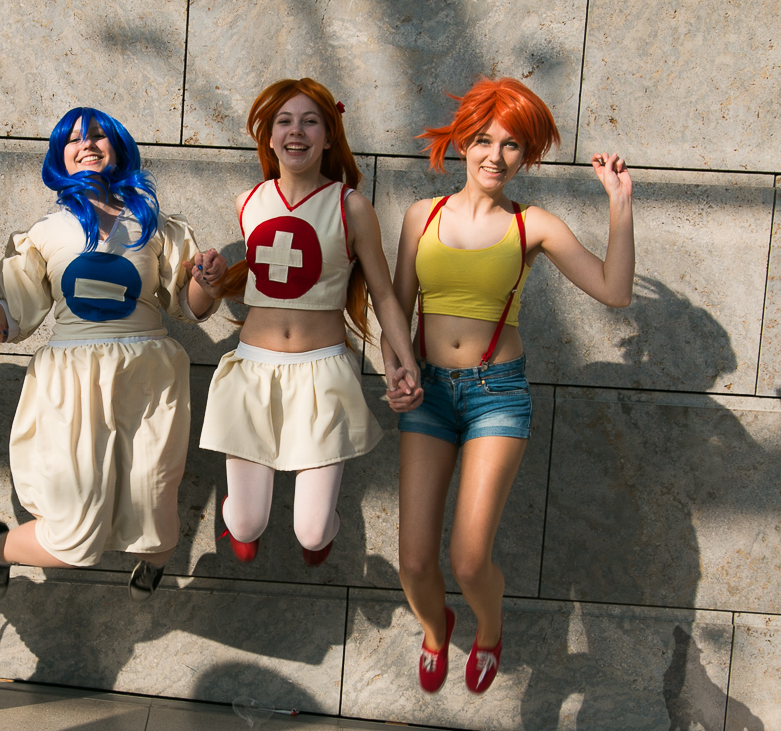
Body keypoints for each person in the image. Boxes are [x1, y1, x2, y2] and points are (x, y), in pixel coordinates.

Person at [382, 77, 635, 694]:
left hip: (497, 396)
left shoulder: (533, 225)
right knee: (413, 562)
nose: (495, 156)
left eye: (512, 144)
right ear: (462, 143)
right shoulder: (422, 216)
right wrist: (397, 372)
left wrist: (619, 203)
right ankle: (436, 629)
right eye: (483, 140)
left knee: (470, 561)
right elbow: (397, 311)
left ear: (528, 155)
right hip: (429, 395)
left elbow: (614, 291)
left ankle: (489, 630)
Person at [0, 107, 226, 603]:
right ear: (59, 156)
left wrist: (206, 283)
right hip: (74, 384)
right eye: (73, 139)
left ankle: (155, 559)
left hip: (147, 379)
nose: (86, 144)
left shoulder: (156, 226)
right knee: (73, 535)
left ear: (119, 147)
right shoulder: (47, 232)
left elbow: (189, 306)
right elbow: (12, 302)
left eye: (98, 136)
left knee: (156, 514)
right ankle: (0, 547)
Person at [200, 77, 422, 566]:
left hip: (323, 374)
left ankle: (322, 536)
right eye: (284, 121)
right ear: (268, 137)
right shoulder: (248, 201)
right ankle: (240, 518)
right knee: (246, 524)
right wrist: (211, 278)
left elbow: (384, 294)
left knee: (314, 531)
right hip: (252, 371)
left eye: (309, 121)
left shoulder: (350, 206)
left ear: (328, 136)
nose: (296, 131)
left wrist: (404, 362)